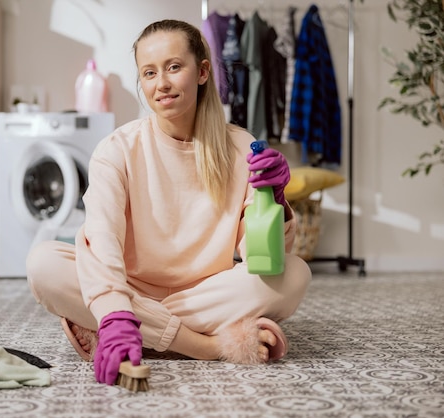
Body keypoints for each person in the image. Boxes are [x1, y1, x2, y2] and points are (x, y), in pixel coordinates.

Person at [26, 19, 311, 386]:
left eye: (174, 67)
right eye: (149, 73)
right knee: (43, 263)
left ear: (203, 71)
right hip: (131, 286)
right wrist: (116, 310)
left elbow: (260, 256)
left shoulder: (242, 146)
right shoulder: (116, 150)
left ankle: (128, 329)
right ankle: (204, 345)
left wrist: (273, 199)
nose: (161, 83)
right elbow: (103, 239)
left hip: (206, 291)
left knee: (294, 274)